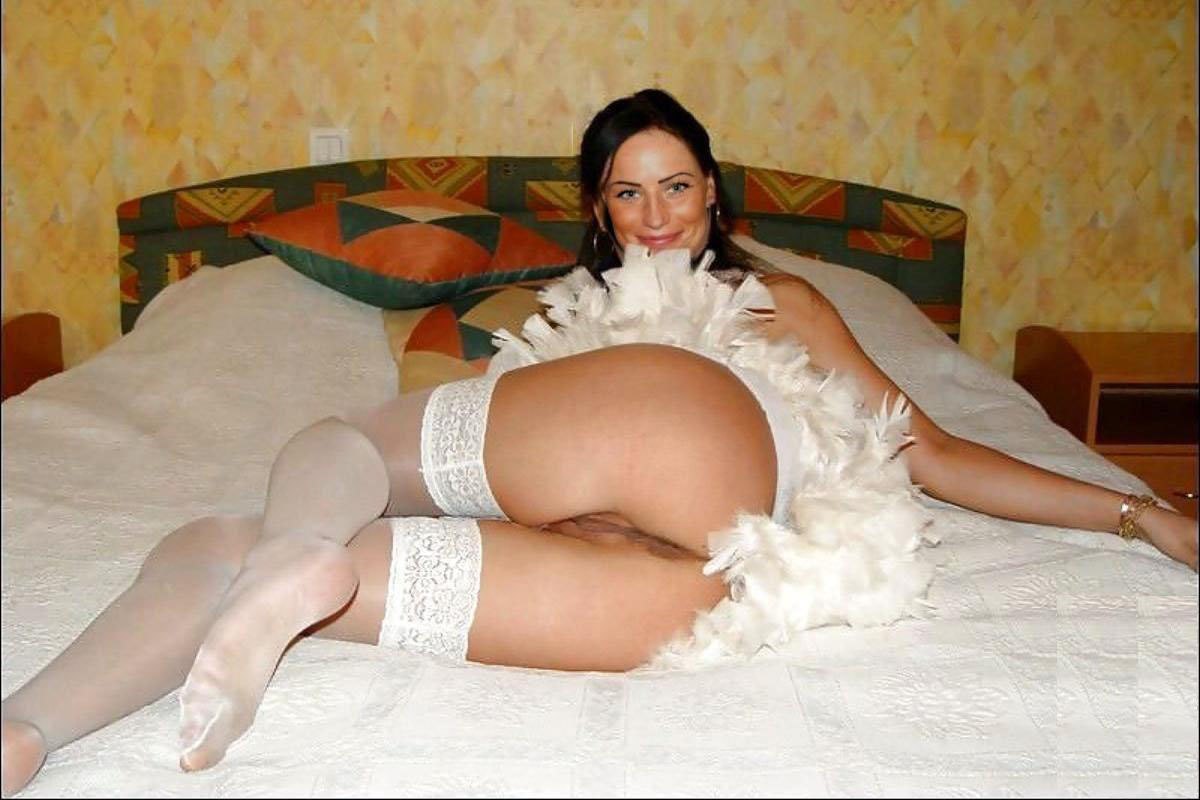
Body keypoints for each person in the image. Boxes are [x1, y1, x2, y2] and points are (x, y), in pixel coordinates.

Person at [1, 87, 1195, 798]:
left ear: (715, 196)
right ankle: (28, 729)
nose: (658, 216)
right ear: (599, 211)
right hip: (700, 586)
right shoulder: (558, 322)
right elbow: (928, 456)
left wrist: (1136, 509)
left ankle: (294, 547)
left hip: (684, 424)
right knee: (214, 543)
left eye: (678, 187)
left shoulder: (775, 301)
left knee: (340, 438)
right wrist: (1140, 515)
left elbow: (924, 445)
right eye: (630, 192)